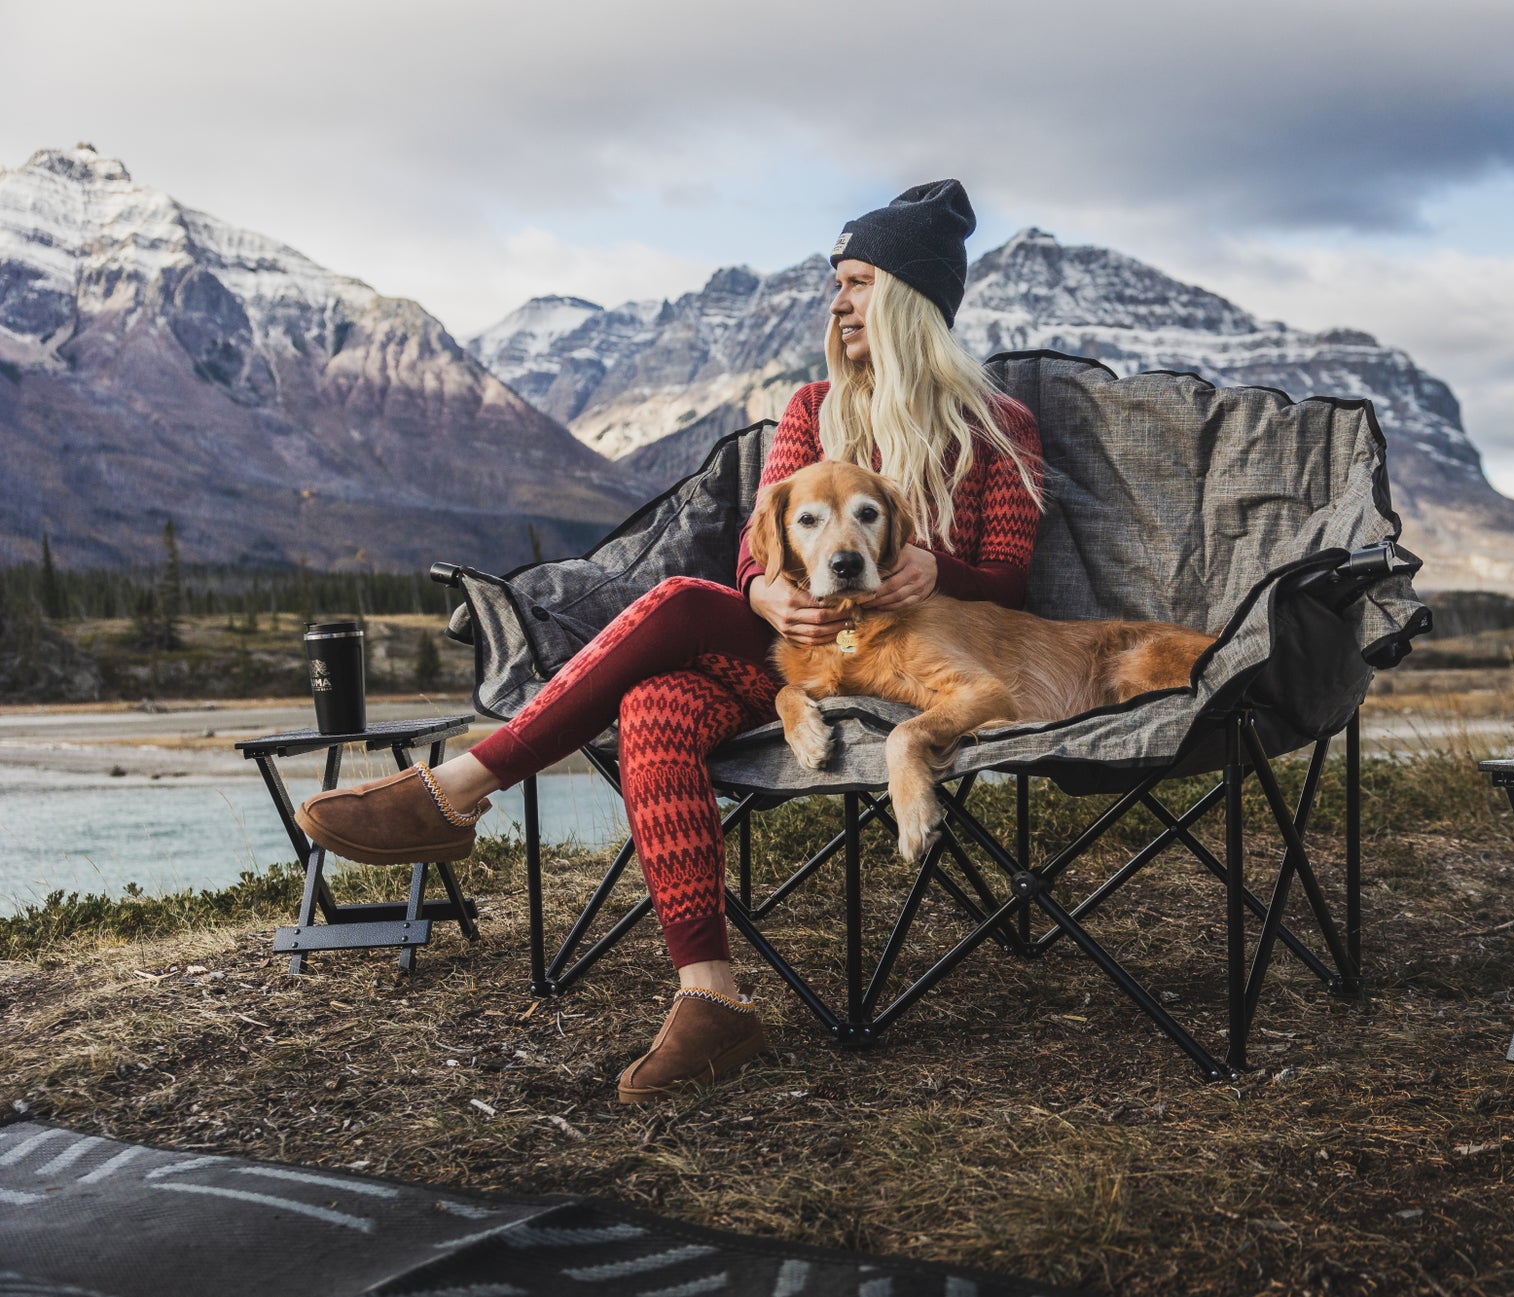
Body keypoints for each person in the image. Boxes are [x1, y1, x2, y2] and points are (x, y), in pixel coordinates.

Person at [296, 180, 1044, 1100]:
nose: (839, 302)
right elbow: (753, 557)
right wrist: (769, 596)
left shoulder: (995, 427)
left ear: (910, 298)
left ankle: (460, 792)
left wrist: (945, 572)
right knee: (676, 651)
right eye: (835, 284)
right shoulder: (814, 410)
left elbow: (1011, 577)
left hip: (912, 664)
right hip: (795, 655)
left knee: (670, 650)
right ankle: (712, 995)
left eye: (858, 281)